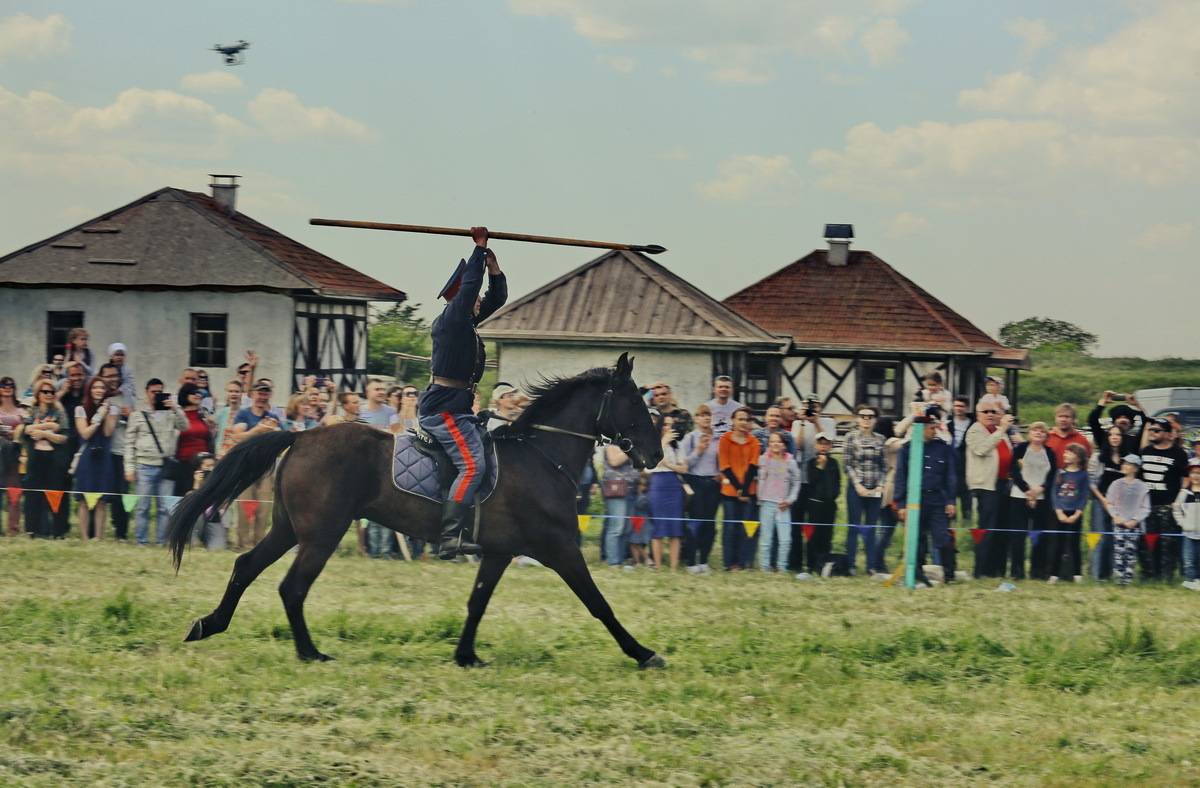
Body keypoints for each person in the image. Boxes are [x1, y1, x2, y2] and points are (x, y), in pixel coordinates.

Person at [418, 226, 507, 559]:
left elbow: (495, 298)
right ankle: (450, 538)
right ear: (460, 299)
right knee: (473, 467)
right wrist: (479, 249)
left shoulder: (466, 322)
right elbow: (472, 288)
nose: (480, 302)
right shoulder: (452, 320)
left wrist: (493, 265)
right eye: (473, 297)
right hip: (443, 408)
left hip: (458, 406)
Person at [893, 410, 958, 587]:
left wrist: (951, 500)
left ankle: (950, 573)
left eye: (935, 428)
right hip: (915, 501)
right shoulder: (907, 450)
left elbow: (950, 476)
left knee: (942, 538)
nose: (934, 431)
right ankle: (917, 573)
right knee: (917, 539)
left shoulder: (943, 448)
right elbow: (901, 478)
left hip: (937, 499)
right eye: (931, 428)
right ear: (920, 429)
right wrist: (901, 504)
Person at [125, 379, 187, 546]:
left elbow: (184, 426)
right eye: (154, 392)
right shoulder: (137, 415)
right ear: (146, 392)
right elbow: (129, 442)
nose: (157, 395)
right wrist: (129, 467)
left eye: (160, 392)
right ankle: (141, 542)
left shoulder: (170, 413)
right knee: (142, 507)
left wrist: (175, 408)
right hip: (144, 465)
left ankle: (161, 542)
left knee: (164, 508)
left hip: (166, 466)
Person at [230, 381, 283, 548]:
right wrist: (258, 430)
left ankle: (259, 543)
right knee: (245, 506)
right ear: (252, 394)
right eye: (260, 393)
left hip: (266, 468)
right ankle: (243, 543)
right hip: (246, 466)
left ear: (269, 396)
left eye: (266, 394)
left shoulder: (273, 417)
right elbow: (238, 437)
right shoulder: (243, 414)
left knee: (263, 508)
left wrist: (275, 431)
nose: (262, 397)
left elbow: (281, 441)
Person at [966, 403, 1016, 578]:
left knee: (1002, 528)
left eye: (994, 412)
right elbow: (982, 449)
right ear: (978, 414)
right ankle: (981, 570)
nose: (990, 414)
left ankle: (998, 570)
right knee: (987, 528)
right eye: (985, 411)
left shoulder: (1001, 431)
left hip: (1004, 484)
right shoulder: (975, 430)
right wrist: (1001, 430)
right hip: (986, 485)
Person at [1138, 417, 1189, 580]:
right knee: (1149, 542)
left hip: (1168, 506)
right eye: (1151, 430)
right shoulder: (1145, 451)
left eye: (1157, 430)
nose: (1152, 433)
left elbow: (1187, 477)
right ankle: (1150, 574)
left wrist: (1179, 498)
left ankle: (1167, 576)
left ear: (1167, 434)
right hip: (1148, 506)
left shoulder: (1178, 453)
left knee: (1168, 543)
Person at [17, 379, 69, 538]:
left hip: (54, 459)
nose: (49, 395)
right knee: (34, 496)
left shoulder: (60, 412)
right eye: (45, 391)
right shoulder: (31, 411)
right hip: (35, 459)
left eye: (52, 392)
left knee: (55, 496)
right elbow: (25, 430)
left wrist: (43, 434)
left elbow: (64, 437)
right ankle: (34, 531)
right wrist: (49, 427)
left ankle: (58, 531)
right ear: (38, 393)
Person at [72, 376, 119, 540]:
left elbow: (107, 432)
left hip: (103, 456)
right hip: (87, 455)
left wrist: (105, 413)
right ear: (89, 390)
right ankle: (84, 536)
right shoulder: (81, 409)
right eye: (95, 387)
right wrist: (98, 415)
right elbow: (85, 433)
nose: (98, 390)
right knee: (84, 499)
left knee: (101, 500)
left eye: (101, 387)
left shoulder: (111, 409)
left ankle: (98, 537)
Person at [1009, 422, 1056, 581]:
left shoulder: (1049, 452)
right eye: (1035, 430)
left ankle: (1037, 571)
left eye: (1042, 431)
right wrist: (1027, 491)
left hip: (1041, 498)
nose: (1038, 433)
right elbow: (1014, 470)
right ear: (1029, 433)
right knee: (1018, 536)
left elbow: (1052, 476)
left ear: (1046, 436)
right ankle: (1017, 571)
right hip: (1019, 496)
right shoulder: (1021, 449)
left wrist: (1039, 490)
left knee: (1038, 536)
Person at [842, 404, 886, 576]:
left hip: (875, 488)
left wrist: (881, 485)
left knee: (871, 527)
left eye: (870, 416)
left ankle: (871, 565)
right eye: (862, 416)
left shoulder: (881, 439)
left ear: (875, 419)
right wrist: (858, 485)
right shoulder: (850, 437)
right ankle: (851, 565)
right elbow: (847, 464)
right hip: (856, 489)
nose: (866, 419)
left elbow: (883, 466)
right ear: (857, 418)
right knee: (854, 526)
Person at [680, 404, 722, 573]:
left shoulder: (719, 438)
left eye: (708, 415)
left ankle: (704, 560)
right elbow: (684, 464)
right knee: (696, 523)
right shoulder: (690, 438)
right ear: (696, 419)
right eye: (701, 415)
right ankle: (691, 561)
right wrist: (698, 451)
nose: (705, 418)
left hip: (713, 484)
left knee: (710, 525)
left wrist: (721, 474)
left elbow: (722, 461)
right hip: (696, 482)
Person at [718, 406, 759, 570]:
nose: (744, 422)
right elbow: (725, 466)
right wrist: (738, 489)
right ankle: (729, 562)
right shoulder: (725, 440)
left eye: (747, 419)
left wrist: (745, 489)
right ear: (733, 421)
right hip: (729, 491)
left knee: (747, 528)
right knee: (730, 527)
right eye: (740, 419)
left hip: (749, 490)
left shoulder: (754, 441)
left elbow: (753, 465)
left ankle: (744, 562)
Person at [647, 414, 688, 571]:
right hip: (657, 485)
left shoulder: (679, 445)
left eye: (672, 425)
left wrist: (668, 465)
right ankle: (657, 565)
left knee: (675, 528)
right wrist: (663, 443)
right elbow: (651, 464)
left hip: (674, 486)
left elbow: (684, 468)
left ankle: (673, 566)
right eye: (666, 424)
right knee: (658, 527)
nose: (670, 428)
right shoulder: (653, 443)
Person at [97, 362, 133, 540]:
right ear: (101, 377)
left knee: (121, 493)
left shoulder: (126, 396)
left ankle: (121, 531)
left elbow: (136, 419)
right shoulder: (96, 393)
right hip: (100, 452)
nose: (114, 379)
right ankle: (93, 530)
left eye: (116, 375)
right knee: (98, 493)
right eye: (109, 376)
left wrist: (130, 415)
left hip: (120, 450)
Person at [756, 431, 800, 573]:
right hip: (766, 503)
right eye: (773, 441)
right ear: (769, 444)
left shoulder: (791, 462)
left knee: (785, 539)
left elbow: (797, 482)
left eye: (779, 442)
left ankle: (782, 567)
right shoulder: (763, 460)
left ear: (785, 445)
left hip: (783, 506)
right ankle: (764, 567)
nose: (775, 444)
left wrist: (790, 500)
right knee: (766, 539)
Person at [1047, 443, 1090, 583]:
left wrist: (1077, 514)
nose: (1066, 455)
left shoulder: (1083, 475)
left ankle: (1077, 574)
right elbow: (1054, 493)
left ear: (1078, 458)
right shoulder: (1060, 472)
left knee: (1074, 545)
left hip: (1075, 513)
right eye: (1066, 452)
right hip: (1060, 513)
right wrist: (1059, 513)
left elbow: (1084, 495)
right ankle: (1054, 574)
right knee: (1058, 544)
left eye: (1070, 453)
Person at [1088, 426, 1125, 581]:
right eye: (1111, 434)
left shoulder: (1126, 458)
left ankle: (1107, 575)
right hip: (1100, 501)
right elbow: (1090, 482)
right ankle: (1095, 575)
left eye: (1118, 434)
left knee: (1113, 539)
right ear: (1107, 438)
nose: (1115, 437)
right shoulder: (1098, 457)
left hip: (1119, 504)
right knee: (1098, 538)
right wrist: (1102, 499)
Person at [1108, 455, 1150, 586]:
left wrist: (1135, 520)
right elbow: (1110, 502)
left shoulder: (1142, 487)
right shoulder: (1116, 484)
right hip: (1119, 524)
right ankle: (1118, 577)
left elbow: (1145, 507)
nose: (1124, 466)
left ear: (1135, 468)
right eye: (1123, 463)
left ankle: (1128, 578)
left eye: (1128, 464)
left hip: (1133, 525)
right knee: (1119, 551)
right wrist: (1115, 516)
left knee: (1130, 551)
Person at [804, 432, 841, 573]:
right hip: (815, 503)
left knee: (827, 535)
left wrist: (834, 495)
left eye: (826, 444)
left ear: (830, 446)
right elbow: (812, 481)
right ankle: (811, 564)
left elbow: (837, 481)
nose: (823, 446)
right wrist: (820, 466)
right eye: (821, 443)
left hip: (829, 504)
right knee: (813, 536)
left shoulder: (834, 463)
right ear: (816, 445)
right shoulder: (811, 463)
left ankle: (823, 563)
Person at [600, 443, 640, 569]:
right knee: (617, 527)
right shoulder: (612, 442)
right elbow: (614, 461)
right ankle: (613, 561)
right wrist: (631, 449)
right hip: (616, 488)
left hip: (632, 488)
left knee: (627, 528)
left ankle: (620, 559)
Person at [173, 382, 215, 496]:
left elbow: (211, 438)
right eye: (193, 392)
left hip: (202, 463)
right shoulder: (176, 415)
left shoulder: (204, 414)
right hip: (183, 463)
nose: (197, 395)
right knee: (183, 496)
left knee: (203, 496)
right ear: (185, 395)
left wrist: (213, 428)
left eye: (199, 392)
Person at [186, 452, 226, 551]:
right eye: (207, 466)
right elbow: (188, 504)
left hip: (213, 521)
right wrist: (197, 485)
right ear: (199, 469)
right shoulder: (190, 479)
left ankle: (208, 541)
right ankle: (193, 542)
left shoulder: (218, 481)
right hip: (195, 520)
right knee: (197, 516)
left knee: (219, 549)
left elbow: (223, 506)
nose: (211, 469)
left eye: (213, 466)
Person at [0, 376, 24, 536]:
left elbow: (27, 428)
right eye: (3, 385)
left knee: (14, 491)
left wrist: (15, 432)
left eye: (10, 385)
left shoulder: (22, 408)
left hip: (16, 454)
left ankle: (13, 528)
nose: (7, 387)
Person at [1088, 391, 1144, 456]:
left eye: (1126, 418)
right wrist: (1103, 401)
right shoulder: (1105, 439)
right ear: (1114, 422)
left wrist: (1136, 405)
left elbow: (1146, 423)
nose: (1122, 420)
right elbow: (1093, 420)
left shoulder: (1135, 441)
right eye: (1119, 417)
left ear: (1131, 423)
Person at [948, 397, 974, 520]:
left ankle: (967, 519)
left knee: (966, 492)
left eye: (961, 406)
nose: (959, 408)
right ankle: (951, 518)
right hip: (950, 461)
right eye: (956, 406)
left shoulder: (973, 423)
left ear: (967, 408)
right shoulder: (948, 423)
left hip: (967, 461)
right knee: (950, 489)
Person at [1176, 459, 1200, 589]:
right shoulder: (1184, 493)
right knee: (1189, 559)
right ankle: (1190, 580)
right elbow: (1176, 509)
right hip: (1188, 533)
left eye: (1199, 473)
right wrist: (1182, 523)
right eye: (1193, 472)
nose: (1196, 475)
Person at [213, 380, 245, 460]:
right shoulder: (220, 413)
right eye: (230, 391)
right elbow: (216, 434)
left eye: (237, 391)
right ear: (226, 393)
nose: (233, 394)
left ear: (241, 394)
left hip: (239, 455)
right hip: (221, 455)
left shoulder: (246, 413)